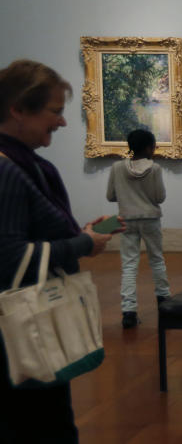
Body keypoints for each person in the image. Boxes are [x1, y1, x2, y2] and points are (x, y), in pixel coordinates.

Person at [0, 59, 118, 442]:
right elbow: (10, 257)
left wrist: (80, 235)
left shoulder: (22, 166)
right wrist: (83, 243)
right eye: (55, 112)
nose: (63, 122)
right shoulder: (8, 171)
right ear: (18, 109)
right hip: (21, 332)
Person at [106, 129, 171, 329]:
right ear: (149, 147)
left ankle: (129, 311)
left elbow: (110, 196)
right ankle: (164, 301)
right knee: (157, 259)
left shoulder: (117, 168)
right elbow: (160, 197)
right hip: (150, 219)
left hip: (126, 219)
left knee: (129, 265)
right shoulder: (156, 169)